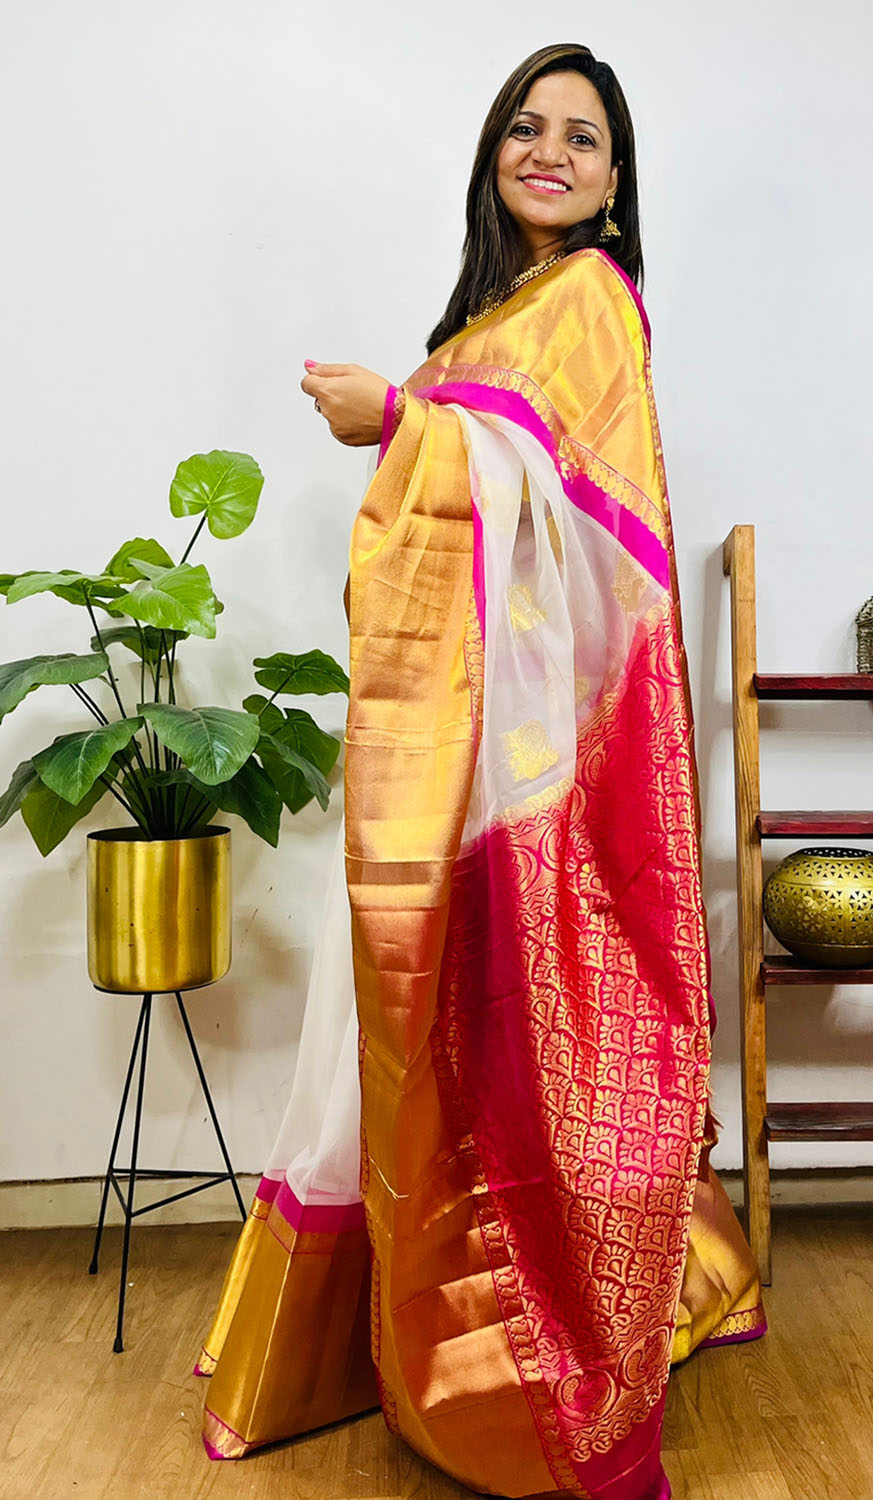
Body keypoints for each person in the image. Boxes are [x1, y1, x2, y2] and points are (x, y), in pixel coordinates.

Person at [197, 41, 765, 1500]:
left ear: (619, 182)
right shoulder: (482, 330)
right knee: (435, 1026)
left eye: (583, 136)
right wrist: (422, 409)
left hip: (541, 775)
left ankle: (538, 1355)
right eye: (527, 127)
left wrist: (399, 423)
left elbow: (578, 535)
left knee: (529, 1031)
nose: (552, 152)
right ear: (492, 155)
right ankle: (421, 1333)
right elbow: (476, 490)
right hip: (460, 765)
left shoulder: (591, 306)